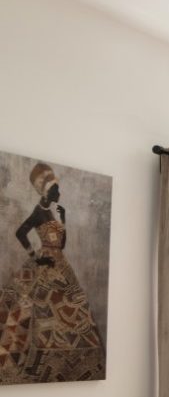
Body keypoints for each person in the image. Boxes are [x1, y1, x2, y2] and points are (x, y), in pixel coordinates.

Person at [0, 162, 104, 383]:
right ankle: (33, 367)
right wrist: (36, 258)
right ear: (47, 191)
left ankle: (69, 367)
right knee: (36, 311)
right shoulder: (39, 212)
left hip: (61, 264)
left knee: (74, 310)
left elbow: (61, 244)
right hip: (45, 264)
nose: (59, 192)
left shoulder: (53, 212)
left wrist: (63, 219)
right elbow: (21, 233)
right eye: (56, 189)